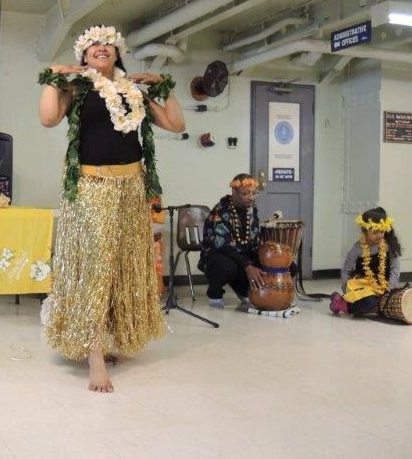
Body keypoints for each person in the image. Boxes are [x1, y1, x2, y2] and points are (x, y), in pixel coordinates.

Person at [38, 25, 185, 393]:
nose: (100, 48)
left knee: (122, 262)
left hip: (132, 186)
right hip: (91, 186)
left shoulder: (131, 91)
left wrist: (164, 84)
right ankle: (94, 353)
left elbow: (175, 122)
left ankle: (109, 337)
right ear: (83, 57)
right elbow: (48, 118)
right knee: (98, 261)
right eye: (92, 46)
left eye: (107, 44)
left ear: (117, 53)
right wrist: (53, 81)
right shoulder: (79, 88)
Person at [198, 173, 265, 308]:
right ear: (234, 191)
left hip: (242, 257)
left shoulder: (252, 209)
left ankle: (243, 288)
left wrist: (265, 259)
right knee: (226, 265)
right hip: (219, 256)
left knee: (275, 265)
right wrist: (248, 266)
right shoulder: (221, 210)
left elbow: (254, 241)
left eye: (253, 193)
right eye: (246, 194)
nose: (251, 198)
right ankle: (214, 293)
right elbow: (221, 246)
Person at [330, 207, 401, 316]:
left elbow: (394, 269)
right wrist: (345, 288)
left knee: (389, 302)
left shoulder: (389, 246)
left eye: (381, 231)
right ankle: (340, 304)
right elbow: (346, 270)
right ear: (365, 230)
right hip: (363, 287)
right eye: (374, 232)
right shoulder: (357, 248)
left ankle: (340, 300)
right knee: (369, 302)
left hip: (384, 287)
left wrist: (390, 289)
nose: (379, 235)